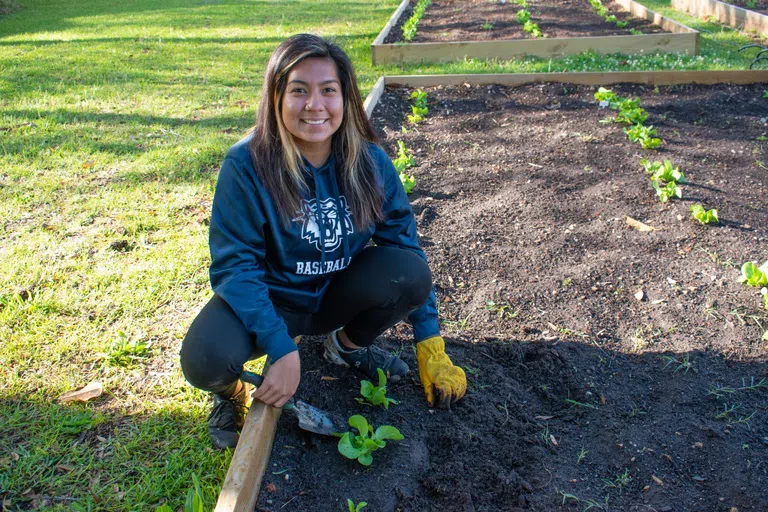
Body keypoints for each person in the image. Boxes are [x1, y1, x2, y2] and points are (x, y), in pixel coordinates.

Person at [180, 33, 466, 450]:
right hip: (274, 298)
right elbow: (235, 268)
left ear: (346, 98)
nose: (315, 105)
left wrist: (430, 342)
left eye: (328, 90)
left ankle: (344, 348)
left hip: (336, 295)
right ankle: (232, 394)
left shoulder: (370, 163)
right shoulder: (246, 166)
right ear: (276, 97)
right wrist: (281, 347)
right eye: (299, 90)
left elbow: (404, 245)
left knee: (407, 273)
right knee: (203, 359)